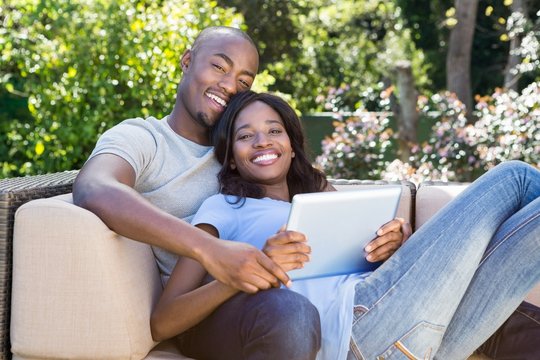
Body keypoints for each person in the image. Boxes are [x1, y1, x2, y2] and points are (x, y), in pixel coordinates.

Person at [73, 26, 409, 358]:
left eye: (244, 81)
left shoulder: (265, 158)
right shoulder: (146, 139)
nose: (229, 85)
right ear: (187, 61)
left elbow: (342, 222)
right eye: (219, 67)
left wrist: (390, 240)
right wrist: (212, 252)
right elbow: (95, 187)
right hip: (212, 311)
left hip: (299, 305)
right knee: (288, 310)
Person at [151, 90, 540, 359]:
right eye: (245, 136)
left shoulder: (323, 195)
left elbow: (378, 275)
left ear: (291, 143)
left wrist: (393, 248)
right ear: (231, 157)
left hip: (423, 339)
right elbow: (164, 321)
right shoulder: (222, 208)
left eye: (274, 130)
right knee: (516, 178)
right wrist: (245, 273)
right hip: (355, 333)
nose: (263, 142)